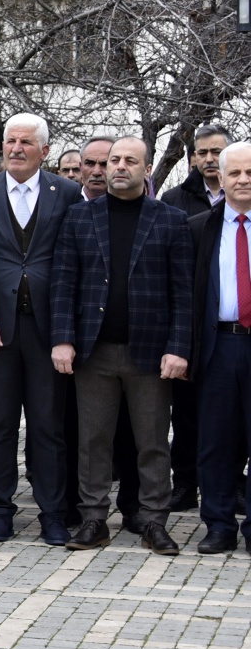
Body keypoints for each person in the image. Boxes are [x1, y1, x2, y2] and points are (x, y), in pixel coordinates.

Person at [51, 136, 192, 555]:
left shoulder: (170, 220)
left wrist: (178, 347)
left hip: (150, 354)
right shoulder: (79, 217)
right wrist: (62, 340)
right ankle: (94, 517)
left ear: (147, 169)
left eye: (131, 160)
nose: (119, 167)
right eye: (114, 160)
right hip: (94, 352)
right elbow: (63, 284)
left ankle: (153, 520)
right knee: (93, 440)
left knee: (151, 440)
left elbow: (183, 293)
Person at [0, 113, 80, 543]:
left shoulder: (67, 193)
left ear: (45, 151)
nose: (15, 148)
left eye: (26, 142)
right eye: (10, 140)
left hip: (49, 332)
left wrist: (66, 333)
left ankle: (53, 513)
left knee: (48, 426)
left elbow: (72, 266)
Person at [163, 124, 231, 512]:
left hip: (233, 325)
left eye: (216, 151)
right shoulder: (176, 199)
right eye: (202, 152)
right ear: (192, 158)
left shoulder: (244, 195)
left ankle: (231, 484)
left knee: (231, 415)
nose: (210, 159)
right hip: (192, 324)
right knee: (187, 412)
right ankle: (185, 482)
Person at [189, 141, 251, 555]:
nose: (243, 180)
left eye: (250, 173)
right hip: (219, 345)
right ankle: (218, 525)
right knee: (216, 440)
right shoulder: (199, 227)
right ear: (221, 178)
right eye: (235, 173)